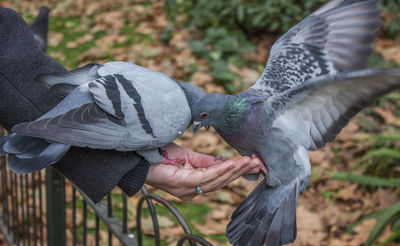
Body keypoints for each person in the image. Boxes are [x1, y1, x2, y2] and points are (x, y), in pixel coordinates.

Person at [0, 8, 261, 202]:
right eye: (204, 118)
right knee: (51, 136)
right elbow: (119, 131)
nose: (201, 125)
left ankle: (31, 137)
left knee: (44, 134)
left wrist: (144, 163)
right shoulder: (178, 113)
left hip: (94, 85)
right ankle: (34, 137)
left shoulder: (164, 83)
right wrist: (153, 159)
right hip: (102, 110)